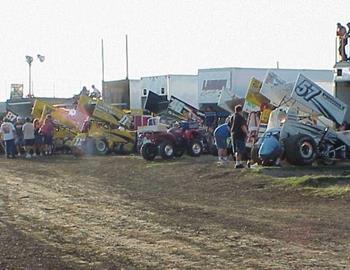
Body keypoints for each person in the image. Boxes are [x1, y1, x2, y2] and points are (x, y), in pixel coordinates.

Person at [229, 105, 248, 169]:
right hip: (240, 135)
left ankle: (237, 162)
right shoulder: (240, 117)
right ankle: (238, 163)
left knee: (236, 150)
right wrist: (247, 133)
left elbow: (229, 125)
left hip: (233, 135)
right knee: (240, 150)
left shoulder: (232, 117)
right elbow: (243, 126)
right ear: (241, 111)